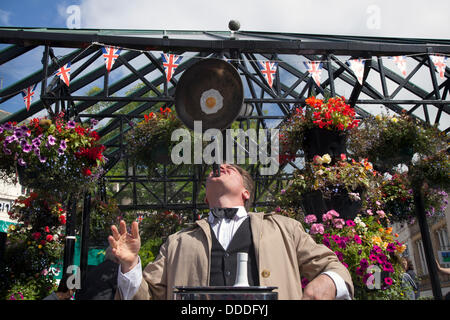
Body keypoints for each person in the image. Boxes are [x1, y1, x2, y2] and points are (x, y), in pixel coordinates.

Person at [108, 163, 354, 300]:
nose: (221, 166)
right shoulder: (177, 242)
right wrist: (130, 267)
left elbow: (333, 266)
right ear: (206, 197)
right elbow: (146, 296)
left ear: (246, 193)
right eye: (215, 171)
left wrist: (327, 283)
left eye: (232, 169)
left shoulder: (285, 228)